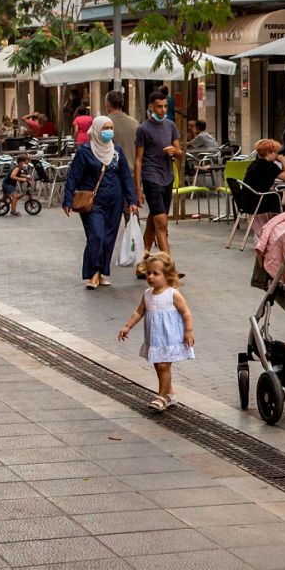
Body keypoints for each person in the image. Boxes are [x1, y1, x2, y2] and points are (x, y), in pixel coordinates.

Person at [62, 115, 137, 289]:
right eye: (105, 128)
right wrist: (67, 200)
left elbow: (125, 176)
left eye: (111, 128)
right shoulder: (85, 151)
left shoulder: (117, 151)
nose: (109, 132)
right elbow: (74, 176)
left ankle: (101, 273)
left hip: (115, 201)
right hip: (93, 202)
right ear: (96, 129)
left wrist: (131, 200)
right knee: (96, 235)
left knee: (109, 238)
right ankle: (93, 274)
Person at [117, 251, 193, 412]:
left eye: (155, 273)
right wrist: (128, 326)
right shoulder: (147, 295)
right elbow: (139, 312)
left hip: (170, 338)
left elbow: (186, 312)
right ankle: (170, 392)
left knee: (164, 365)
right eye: (148, 273)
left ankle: (161, 396)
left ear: (167, 275)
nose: (151, 277)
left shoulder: (173, 294)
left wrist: (188, 331)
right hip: (155, 339)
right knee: (159, 366)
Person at [135, 93, 183, 255]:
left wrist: (175, 151)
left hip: (167, 177)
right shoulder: (143, 129)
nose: (162, 110)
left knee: (154, 219)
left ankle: (143, 258)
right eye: (159, 106)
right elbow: (138, 160)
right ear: (150, 106)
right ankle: (168, 266)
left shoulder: (170, 126)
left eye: (164, 106)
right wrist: (137, 188)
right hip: (151, 177)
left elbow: (181, 154)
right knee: (162, 223)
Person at [242, 139, 285, 217]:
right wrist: (283, 161)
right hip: (260, 201)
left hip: (247, 202)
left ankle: (275, 221)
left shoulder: (254, 163)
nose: (277, 155)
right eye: (276, 152)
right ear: (269, 153)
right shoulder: (269, 165)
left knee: (277, 193)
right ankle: (284, 223)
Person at [104, 91, 139, 167]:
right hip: (131, 171)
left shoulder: (103, 123)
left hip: (111, 172)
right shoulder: (135, 123)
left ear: (108, 104)